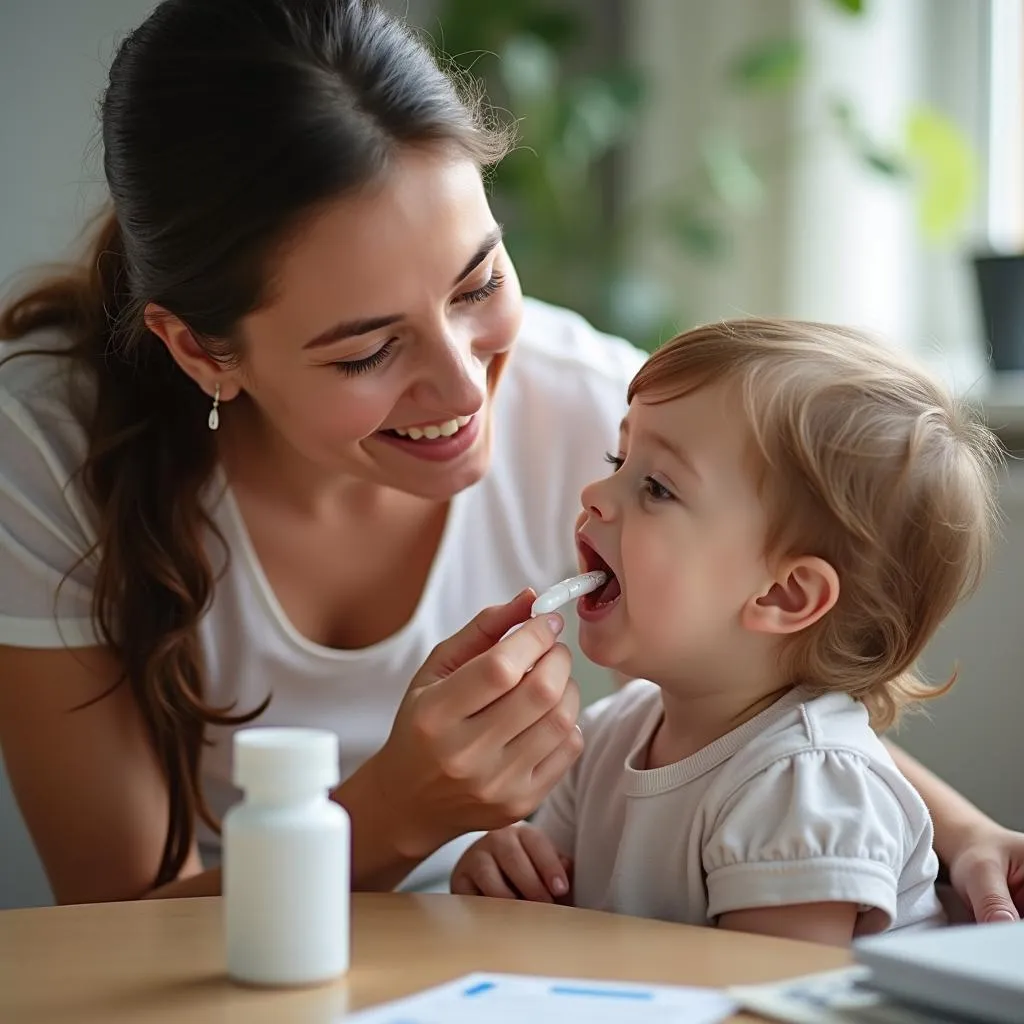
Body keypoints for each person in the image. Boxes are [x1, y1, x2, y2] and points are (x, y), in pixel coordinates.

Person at [0, 0, 1020, 919]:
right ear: (201, 348)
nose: (463, 388)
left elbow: (767, 672)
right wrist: (393, 812)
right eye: (366, 348)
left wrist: (958, 827)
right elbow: (113, 919)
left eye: (478, 280)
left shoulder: (599, 404)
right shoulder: (45, 449)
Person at [451, 320, 1007, 945]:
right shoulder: (609, 737)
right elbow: (555, 934)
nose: (595, 492)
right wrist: (501, 874)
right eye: (619, 457)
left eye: (656, 487)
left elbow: (764, 1002)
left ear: (783, 595)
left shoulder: (806, 788)